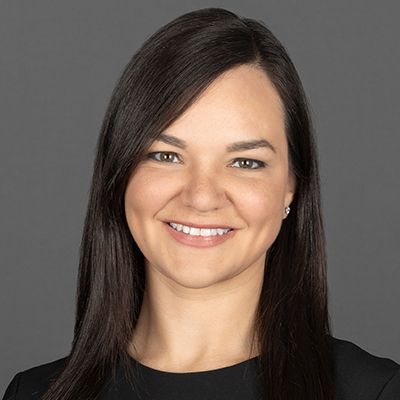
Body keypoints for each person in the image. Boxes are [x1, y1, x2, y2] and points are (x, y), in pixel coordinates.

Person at [2, 7, 399, 400]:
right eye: (166, 156)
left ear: (291, 186)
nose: (202, 196)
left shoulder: (374, 391)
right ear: (120, 172)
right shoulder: (34, 393)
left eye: (245, 162)